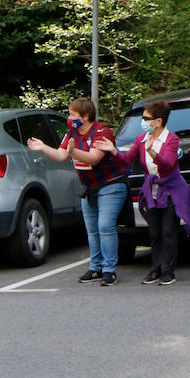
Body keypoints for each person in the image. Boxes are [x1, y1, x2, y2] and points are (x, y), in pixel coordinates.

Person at [94, 101, 190, 285]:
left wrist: (152, 152)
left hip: (171, 189)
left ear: (158, 121)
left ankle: (168, 271)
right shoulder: (141, 139)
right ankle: (155, 269)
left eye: (146, 118)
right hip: (151, 190)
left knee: (169, 232)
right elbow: (126, 160)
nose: (142, 121)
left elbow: (168, 164)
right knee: (154, 233)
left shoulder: (171, 140)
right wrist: (113, 151)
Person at [26, 97, 127, 285]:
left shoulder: (101, 132)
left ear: (86, 116)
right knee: (91, 230)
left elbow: (93, 158)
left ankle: (109, 270)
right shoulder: (72, 131)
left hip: (110, 184)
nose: (69, 118)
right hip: (89, 187)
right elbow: (61, 155)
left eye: (73, 114)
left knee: (105, 226)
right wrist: (43, 147)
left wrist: (73, 152)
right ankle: (95, 268)